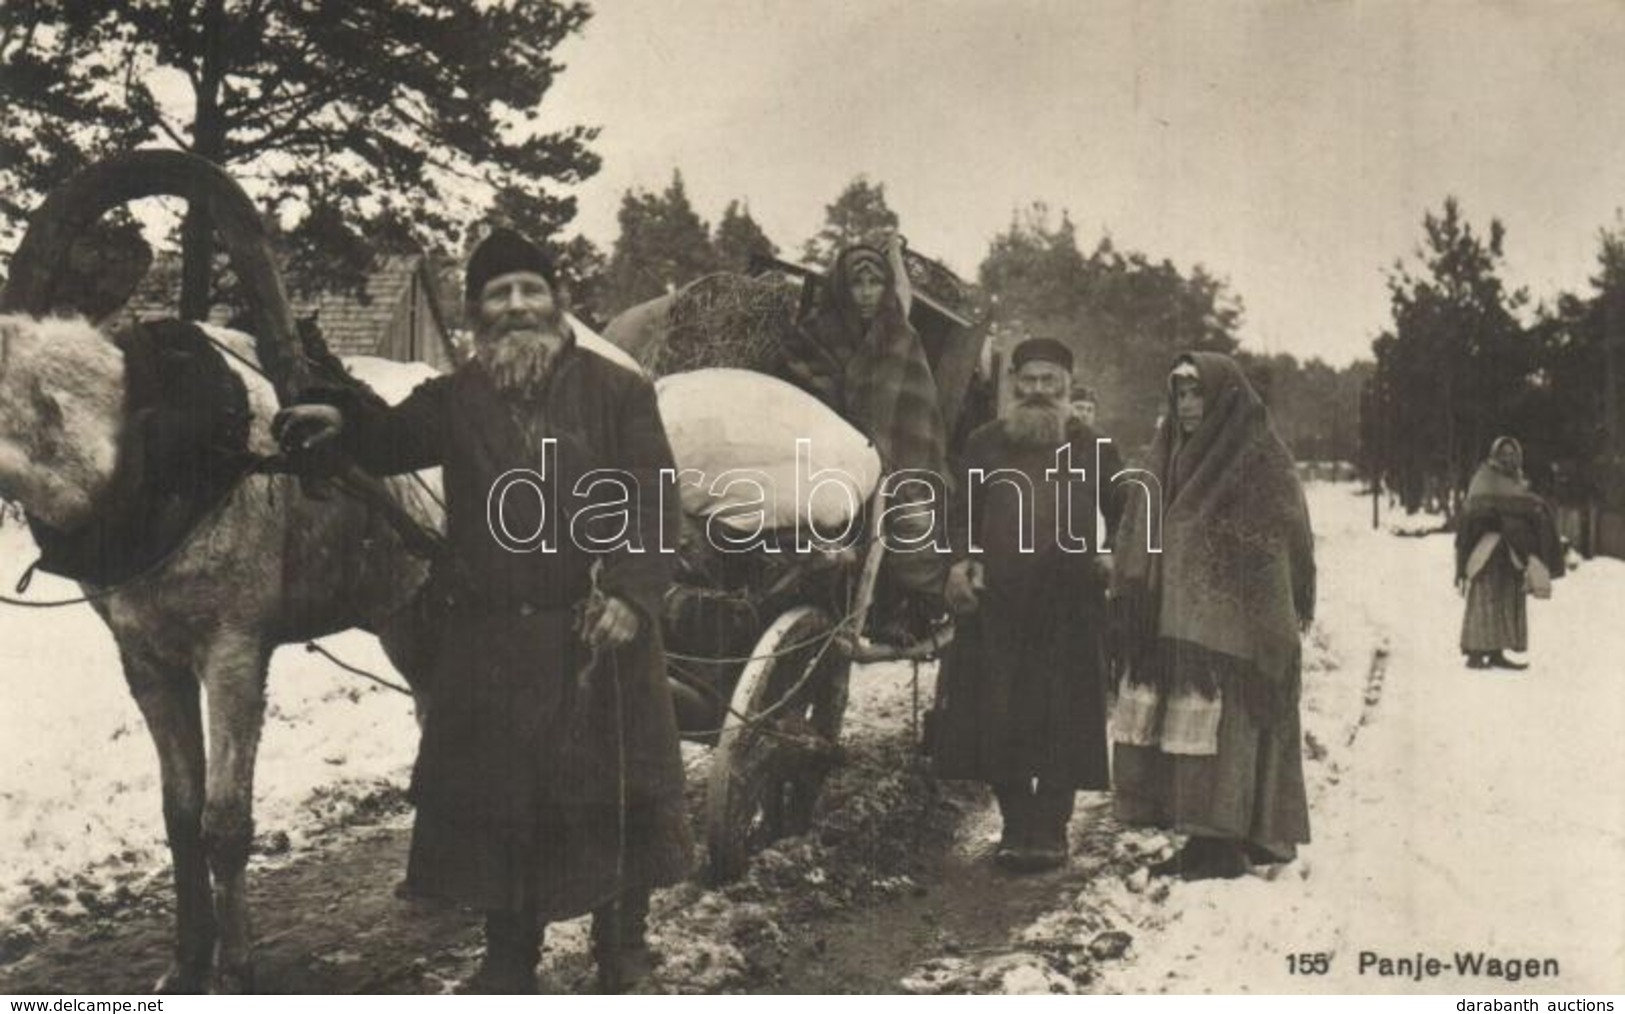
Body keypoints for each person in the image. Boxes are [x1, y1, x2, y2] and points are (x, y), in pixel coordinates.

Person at [273, 229, 692, 993]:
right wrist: (340, 420)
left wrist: (631, 595)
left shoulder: (617, 391)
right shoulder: (457, 395)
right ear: (477, 313)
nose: (517, 305)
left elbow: (655, 504)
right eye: (498, 294)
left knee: (614, 795)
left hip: (598, 633)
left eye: (530, 288)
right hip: (496, 642)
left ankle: (622, 945)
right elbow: (389, 438)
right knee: (505, 805)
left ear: (557, 301)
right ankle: (509, 958)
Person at [1110, 353, 1315, 880]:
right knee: (1184, 729)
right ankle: (1198, 835)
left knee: (1229, 728)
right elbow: (1141, 526)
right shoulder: (1164, 458)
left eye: (1197, 393)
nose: (1187, 405)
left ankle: (1226, 839)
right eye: (1179, 394)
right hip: (1175, 622)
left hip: (1236, 628)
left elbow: (1279, 543)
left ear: (1225, 397)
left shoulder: (1261, 460)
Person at [930, 337, 1120, 872]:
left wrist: (1111, 553)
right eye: (1028, 381)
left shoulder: (1094, 448)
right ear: (1014, 384)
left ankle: (1052, 829)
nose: (1038, 391)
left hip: (1071, 605)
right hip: (1000, 604)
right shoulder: (986, 443)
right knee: (999, 713)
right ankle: (1016, 825)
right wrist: (961, 562)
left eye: (1049, 381)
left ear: (1066, 384)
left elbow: (1128, 510)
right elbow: (961, 513)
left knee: (1065, 717)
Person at [774, 238, 950, 623]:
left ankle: (906, 613)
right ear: (842, 288)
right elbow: (801, 393)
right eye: (858, 283)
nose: (867, 293)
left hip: (895, 458)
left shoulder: (901, 336)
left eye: (875, 283)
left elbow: (915, 409)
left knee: (914, 521)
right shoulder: (814, 333)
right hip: (827, 455)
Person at [1455, 436, 1563, 670]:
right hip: (1487, 549)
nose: (1508, 457)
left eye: (1512, 453)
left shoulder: (1517, 482)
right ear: (1495, 455)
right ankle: (1475, 652)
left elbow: (1526, 509)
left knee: (1508, 597)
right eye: (1503, 453)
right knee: (1485, 598)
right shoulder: (1484, 477)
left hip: (1512, 550)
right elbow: (1474, 509)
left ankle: (1497, 651)